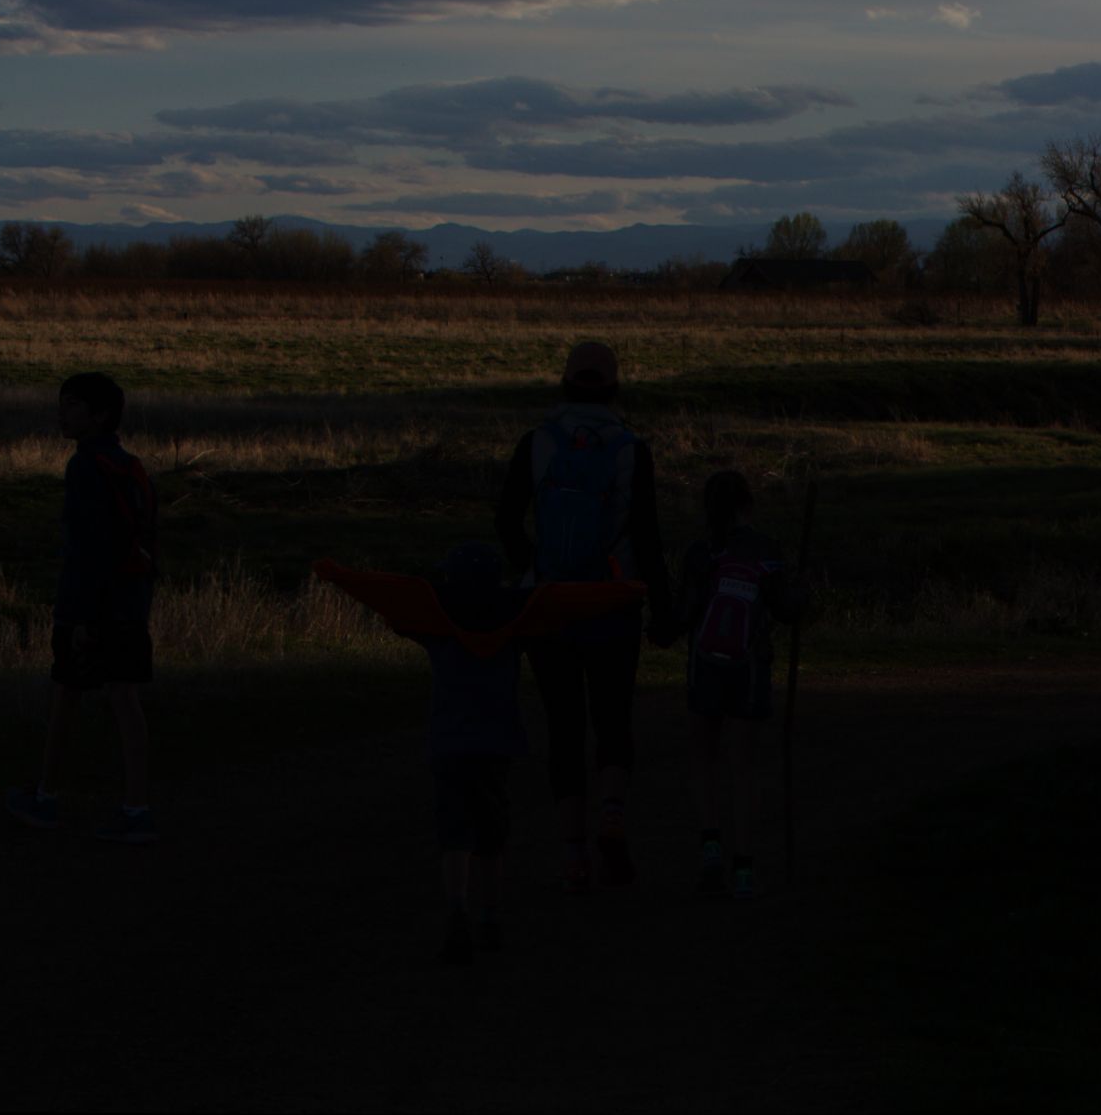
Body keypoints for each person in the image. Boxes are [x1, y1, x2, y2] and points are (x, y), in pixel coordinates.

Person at [315, 545, 644, 965]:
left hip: (449, 746)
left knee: (455, 835)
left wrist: (337, 574)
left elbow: (391, 599)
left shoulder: (434, 622)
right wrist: (627, 590)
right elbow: (564, 604)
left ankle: (457, 909)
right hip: (495, 747)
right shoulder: (516, 621)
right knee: (491, 837)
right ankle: (489, 918)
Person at [494, 340, 674, 893]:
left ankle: (574, 856)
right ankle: (612, 815)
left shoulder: (537, 443)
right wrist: (662, 606)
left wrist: (535, 571)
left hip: (550, 607)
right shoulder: (630, 449)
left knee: (565, 730)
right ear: (615, 386)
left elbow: (506, 521)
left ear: (565, 382)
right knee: (613, 720)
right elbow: (646, 533)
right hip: (611, 603)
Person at [6, 372, 158, 844]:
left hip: (89, 609)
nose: (61, 414)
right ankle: (137, 809)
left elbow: (87, 551)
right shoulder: (130, 467)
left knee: (67, 696)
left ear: (100, 416)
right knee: (125, 701)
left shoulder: (85, 467)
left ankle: (47, 799)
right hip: (129, 603)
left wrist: (81, 620)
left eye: (72, 406)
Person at [671, 469, 803, 901]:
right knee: (744, 767)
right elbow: (785, 609)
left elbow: (687, 614)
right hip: (749, 670)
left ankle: (711, 848)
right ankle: (744, 869)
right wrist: (799, 599)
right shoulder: (766, 551)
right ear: (748, 504)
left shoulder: (699, 553)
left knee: (703, 758)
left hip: (705, 667)